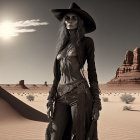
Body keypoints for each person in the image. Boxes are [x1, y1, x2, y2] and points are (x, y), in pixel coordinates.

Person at [45, 2, 102, 140]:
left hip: (79, 94)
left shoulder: (86, 42)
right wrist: (50, 98)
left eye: (74, 18)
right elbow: (57, 77)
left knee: (79, 135)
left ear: (79, 22)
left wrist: (97, 101)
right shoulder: (62, 46)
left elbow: (92, 71)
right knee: (55, 135)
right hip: (60, 96)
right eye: (67, 18)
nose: (70, 21)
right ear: (64, 22)